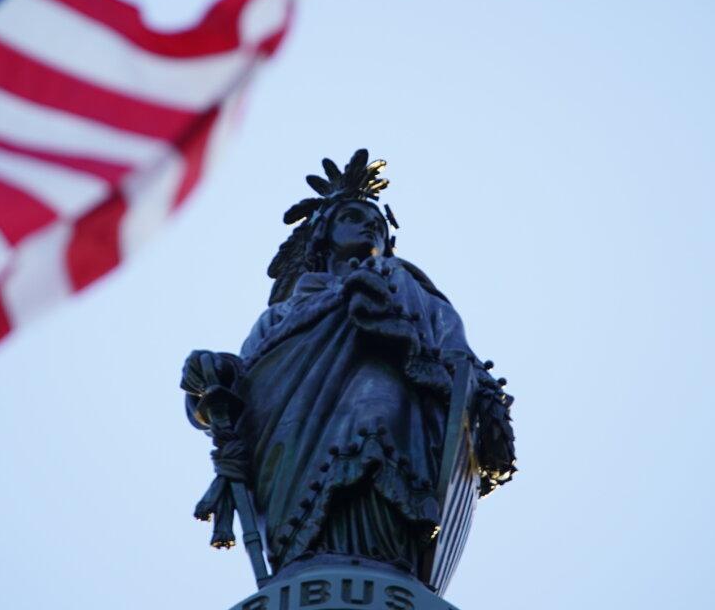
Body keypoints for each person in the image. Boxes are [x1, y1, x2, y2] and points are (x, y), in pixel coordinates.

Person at [182, 150, 515, 586]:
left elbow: (459, 363)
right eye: (355, 217)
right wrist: (208, 381)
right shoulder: (279, 317)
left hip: (395, 418)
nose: (371, 225)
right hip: (288, 454)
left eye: (378, 222)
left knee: (374, 410)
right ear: (323, 236)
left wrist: (485, 408)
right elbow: (239, 400)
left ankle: (378, 557)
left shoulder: (408, 286)